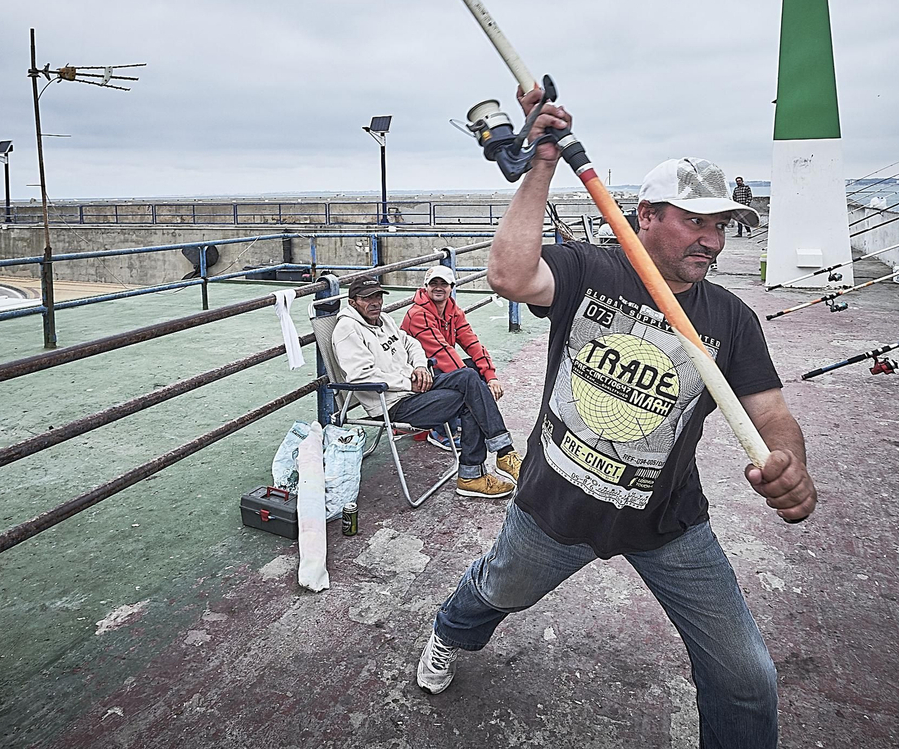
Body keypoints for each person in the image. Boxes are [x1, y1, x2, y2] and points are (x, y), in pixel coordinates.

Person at [414, 89, 815, 749]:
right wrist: (542, 163)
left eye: (721, 226)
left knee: (747, 678)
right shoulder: (588, 270)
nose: (712, 240)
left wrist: (790, 461)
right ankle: (447, 634)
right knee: (495, 591)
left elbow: (770, 411)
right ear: (646, 216)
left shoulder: (730, 318)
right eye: (696, 221)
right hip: (554, 508)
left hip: (668, 523)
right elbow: (509, 276)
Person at [331, 273, 521, 499]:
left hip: (413, 387)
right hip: (392, 402)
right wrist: (409, 382)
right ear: (352, 302)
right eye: (366, 298)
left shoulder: (384, 320)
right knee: (472, 397)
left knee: (469, 377)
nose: (375, 303)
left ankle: (501, 454)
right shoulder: (347, 329)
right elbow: (360, 376)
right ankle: (477, 472)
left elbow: (412, 344)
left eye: (378, 297)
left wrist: (420, 367)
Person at [401, 265, 504, 452]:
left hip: (435, 369)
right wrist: (471, 382)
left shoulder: (453, 310)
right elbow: (442, 353)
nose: (438, 288)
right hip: (415, 376)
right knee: (462, 376)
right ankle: (440, 432)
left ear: (452, 287)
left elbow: (472, 343)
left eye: (443, 284)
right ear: (425, 287)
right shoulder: (418, 315)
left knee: (475, 369)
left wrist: (491, 377)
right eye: (433, 283)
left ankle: (468, 420)